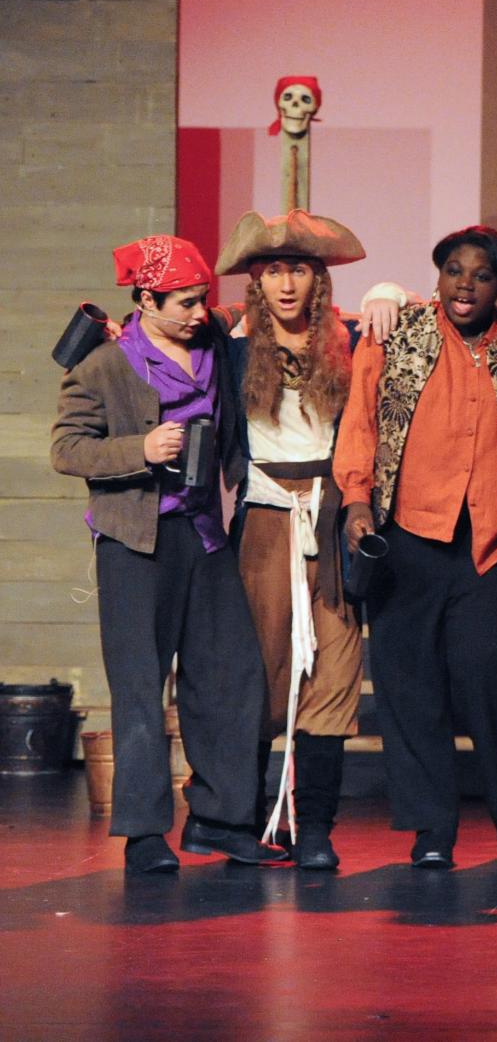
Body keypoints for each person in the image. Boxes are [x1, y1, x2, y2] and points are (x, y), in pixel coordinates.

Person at [51, 234, 288, 873]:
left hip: (204, 534)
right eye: (184, 302)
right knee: (139, 685)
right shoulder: (104, 365)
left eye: (201, 298)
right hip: (136, 541)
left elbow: (273, 312)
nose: (197, 311)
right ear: (146, 301)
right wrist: (141, 449)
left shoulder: (212, 340)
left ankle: (221, 819)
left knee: (231, 676)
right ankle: (144, 834)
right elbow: (67, 449)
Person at [333, 225, 497, 869]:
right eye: (453, 271)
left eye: (482, 275)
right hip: (405, 537)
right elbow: (361, 422)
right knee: (409, 687)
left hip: (492, 542)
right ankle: (431, 828)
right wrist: (356, 499)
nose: (465, 285)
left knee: (487, 679)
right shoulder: (395, 333)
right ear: (436, 277)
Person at [213, 209, 367, 870]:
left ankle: (318, 828)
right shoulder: (232, 342)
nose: (285, 284)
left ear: (318, 280)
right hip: (265, 523)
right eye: (273, 270)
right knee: (260, 670)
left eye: (299, 270)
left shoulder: (348, 340)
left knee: (334, 671)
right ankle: (246, 820)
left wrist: (389, 294)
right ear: (257, 279)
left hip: (330, 521)